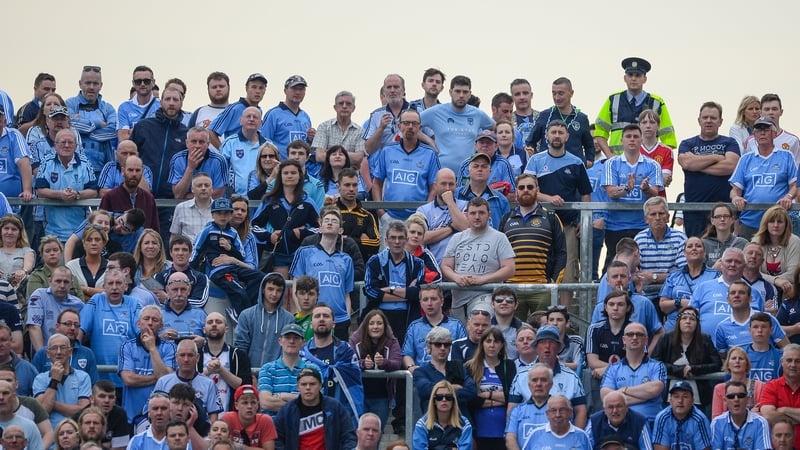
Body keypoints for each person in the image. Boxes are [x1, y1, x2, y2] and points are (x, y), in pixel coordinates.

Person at [524, 119, 592, 302]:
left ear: (567, 137)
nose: (556, 136)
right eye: (553, 132)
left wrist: (583, 221)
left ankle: (564, 317)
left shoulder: (576, 162)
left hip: (568, 226)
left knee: (568, 273)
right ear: (546, 135)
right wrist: (549, 199)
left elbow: (586, 193)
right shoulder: (536, 160)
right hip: (539, 224)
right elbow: (526, 190)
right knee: (540, 270)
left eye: (560, 133)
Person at [502, 173, 566, 316]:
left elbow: (561, 252)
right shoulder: (506, 219)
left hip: (541, 288)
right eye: (521, 187)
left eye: (530, 187)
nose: (526, 190)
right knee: (515, 335)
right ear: (516, 191)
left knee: (543, 333)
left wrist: (554, 282)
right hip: (512, 288)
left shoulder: (551, 217)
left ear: (537, 190)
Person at [442, 197, 515, 320]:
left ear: (489, 215)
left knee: (479, 319)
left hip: (485, 295)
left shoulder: (499, 238)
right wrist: (456, 278)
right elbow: (446, 266)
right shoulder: (457, 238)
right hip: (458, 298)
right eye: (473, 213)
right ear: (466, 215)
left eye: (481, 213)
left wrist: (483, 280)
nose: (477, 217)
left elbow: (510, 269)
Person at [191, 198, 265, 321]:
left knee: (260, 277)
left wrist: (230, 248)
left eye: (226, 213)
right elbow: (196, 249)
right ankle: (242, 316)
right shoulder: (207, 230)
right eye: (219, 213)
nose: (223, 216)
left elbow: (241, 255)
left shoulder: (233, 233)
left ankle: (243, 310)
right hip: (220, 272)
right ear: (213, 214)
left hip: (235, 268)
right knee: (239, 291)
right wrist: (191, 270)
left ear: (230, 215)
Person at [676, 102, 742, 238]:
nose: (709, 121)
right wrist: (716, 157)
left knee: (724, 253)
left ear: (720, 121)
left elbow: (730, 166)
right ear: (699, 120)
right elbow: (687, 163)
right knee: (696, 252)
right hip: (694, 212)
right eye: (705, 117)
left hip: (723, 212)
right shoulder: (687, 144)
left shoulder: (729, 143)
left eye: (713, 118)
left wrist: (697, 165)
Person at [602, 124, 663, 266]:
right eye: (628, 136)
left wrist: (646, 189)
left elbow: (655, 195)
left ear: (641, 139)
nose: (632, 140)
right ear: (622, 140)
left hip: (643, 226)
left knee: (641, 266)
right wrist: (627, 188)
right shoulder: (611, 163)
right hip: (615, 226)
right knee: (615, 266)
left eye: (636, 136)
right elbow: (611, 193)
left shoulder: (653, 165)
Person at [289, 207, 355, 336]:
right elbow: (295, 286)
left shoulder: (346, 259)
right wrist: (303, 314)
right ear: (320, 227)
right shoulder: (305, 252)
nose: (330, 223)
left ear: (341, 230)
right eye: (326, 220)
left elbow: (347, 294)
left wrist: (347, 317)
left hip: (339, 320)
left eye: (334, 221)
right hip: (313, 318)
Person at [507, 324, 587, 427]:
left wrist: (575, 438)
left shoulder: (571, 377)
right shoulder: (521, 376)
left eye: (551, 342)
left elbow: (581, 411)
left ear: (558, 347)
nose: (547, 346)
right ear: (536, 347)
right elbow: (511, 410)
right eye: (543, 342)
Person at [594, 57, 676, 158]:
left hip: (647, 165)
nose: (633, 78)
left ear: (644, 79)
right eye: (630, 75)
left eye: (638, 75)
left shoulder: (657, 103)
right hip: (618, 162)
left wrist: (657, 161)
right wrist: (609, 155)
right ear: (625, 78)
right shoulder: (613, 100)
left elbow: (668, 138)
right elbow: (600, 131)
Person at [251, 160, 320, 280]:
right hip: (278, 254)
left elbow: (320, 228)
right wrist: (269, 236)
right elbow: (254, 226)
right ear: (280, 176)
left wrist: (303, 233)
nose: (289, 176)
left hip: (301, 254)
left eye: (293, 173)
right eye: (285, 173)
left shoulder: (307, 201)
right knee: (282, 291)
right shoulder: (269, 201)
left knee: (296, 293)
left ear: (300, 176)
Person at [372, 108, 439, 230]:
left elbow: (434, 188)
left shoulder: (429, 154)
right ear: (399, 126)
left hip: (417, 219)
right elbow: (377, 183)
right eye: (406, 123)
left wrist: (424, 213)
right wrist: (381, 212)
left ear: (420, 127)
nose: (410, 127)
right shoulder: (387, 151)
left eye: (414, 123)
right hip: (390, 217)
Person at [730, 116, 797, 238]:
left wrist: (788, 196)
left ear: (774, 133)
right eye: (758, 130)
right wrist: (735, 198)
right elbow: (735, 189)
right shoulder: (746, 159)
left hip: (778, 221)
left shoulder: (786, 156)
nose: (762, 133)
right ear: (754, 135)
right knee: (748, 256)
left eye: (766, 129)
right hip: (749, 221)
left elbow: (794, 185)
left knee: (777, 256)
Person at [300, 303, 364, 424]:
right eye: (317, 316)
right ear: (311, 324)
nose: (322, 319)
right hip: (310, 418)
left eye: (326, 316)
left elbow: (354, 387)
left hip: (339, 417)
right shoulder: (302, 354)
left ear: (334, 324)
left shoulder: (346, 351)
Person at [363, 220, 426, 340]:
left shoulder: (418, 264)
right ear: (386, 241)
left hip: (407, 317)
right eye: (393, 238)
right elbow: (370, 291)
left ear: (406, 240)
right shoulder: (375, 261)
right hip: (379, 315)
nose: (397, 242)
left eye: (401, 238)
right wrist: (407, 293)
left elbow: (418, 293)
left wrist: (389, 289)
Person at [78, 269, 141, 389]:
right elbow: (80, 329)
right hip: (100, 379)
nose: (114, 287)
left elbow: (142, 333)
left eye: (118, 283)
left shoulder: (134, 304)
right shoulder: (96, 301)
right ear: (104, 287)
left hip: (128, 378)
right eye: (110, 283)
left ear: (126, 286)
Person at [420, 75, 495, 173]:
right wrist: (429, 141)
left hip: (468, 175)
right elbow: (409, 123)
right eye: (457, 91)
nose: (461, 95)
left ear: (470, 94)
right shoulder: (436, 112)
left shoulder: (477, 114)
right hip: (442, 173)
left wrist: (486, 143)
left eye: (465, 92)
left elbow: (496, 127)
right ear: (450, 92)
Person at [651, 306, 721, 409]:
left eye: (692, 319)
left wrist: (694, 369)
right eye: (684, 318)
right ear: (678, 321)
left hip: (699, 396)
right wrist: (678, 370)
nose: (688, 321)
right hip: (669, 396)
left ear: (697, 323)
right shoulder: (665, 338)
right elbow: (655, 363)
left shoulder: (705, 339)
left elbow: (717, 364)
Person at [35, 129, 98, 242]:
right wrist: (60, 194)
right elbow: (40, 191)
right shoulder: (46, 162)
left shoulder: (85, 163)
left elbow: (93, 191)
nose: (67, 145)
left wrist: (77, 194)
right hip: (51, 232)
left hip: (80, 232)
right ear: (55, 144)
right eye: (63, 142)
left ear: (76, 145)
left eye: (70, 142)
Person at [273, 367, 357, 449]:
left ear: (320, 386)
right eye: (303, 384)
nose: (308, 388)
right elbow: (277, 440)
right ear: (298, 387)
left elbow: (349, 437)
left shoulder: (335, 407)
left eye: (312, 384)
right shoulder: (287, 410)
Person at [118, 304, 176, 421]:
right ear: (138, 323)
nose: (150, 323)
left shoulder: (170, 347)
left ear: (161, 326)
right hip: (131, 417)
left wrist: (152, 348)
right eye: (146, 319)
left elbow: (166, 379)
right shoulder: (127, 346)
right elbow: (128, 379)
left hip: (161, 417)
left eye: (155, 320)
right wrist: (157, 378)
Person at [600, 322, 666, 422]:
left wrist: (623, 390)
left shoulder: (657, 366)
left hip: (650, 422)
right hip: (621, 423)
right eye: (630, 334)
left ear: (646, 340)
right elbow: (606, 396)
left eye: (639, 334)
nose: (634, 337)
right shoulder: (613, 368)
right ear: (624, 340)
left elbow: (655, 389)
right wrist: (644, 397)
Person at [690, 247, 763, 337]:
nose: (732, 264)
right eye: (729, 261)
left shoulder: (754, 293)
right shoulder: (703, 287)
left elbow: (761, 324)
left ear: (744, 266)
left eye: (738, 262)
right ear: (721, 264)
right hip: (705, 346)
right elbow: (690, 316)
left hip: (741, 348)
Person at [349, 309, 403, 429]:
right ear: (366, 325)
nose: (375, 327)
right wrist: (363, 364)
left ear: (385, 326)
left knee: (376, 435)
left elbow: (397, 362)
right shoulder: (355, 341)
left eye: (379, 323)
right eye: (372, 323)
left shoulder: (392, 341)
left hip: (382, 397)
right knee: (358, 434)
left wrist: (384, 362)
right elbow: (348, 363)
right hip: (359, 396)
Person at [464, 327, 516, 447]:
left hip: (504, 429)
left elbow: (512, 396)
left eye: (496, 341)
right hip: (479, 428)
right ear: (482, 344)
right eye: (488, 341)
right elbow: (471, 399)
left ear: (502, 345)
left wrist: (487, 395)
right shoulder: (470, 367)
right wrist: (500, 400)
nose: (492, 345)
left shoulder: (509, 366)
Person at [527, 77, 595, 165]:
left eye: (561, 93)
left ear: (571, 93)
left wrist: (589, 160)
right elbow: (530, 141)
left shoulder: (581, 118)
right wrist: (537, 159)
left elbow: (589, 145)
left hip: (573, 169)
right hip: (548, 169)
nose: (557, 97)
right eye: (554, 93)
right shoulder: (545, 115)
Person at [658, 236, 720, 332]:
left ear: (704, 252)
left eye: (698, 246)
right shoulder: (674, 276)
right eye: (690, 246)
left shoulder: (715, 276)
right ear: (684, 253)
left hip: (701, 329)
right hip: (673, 329)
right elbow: (663, 306)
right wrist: (680, 302)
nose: (694, 248)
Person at [65, 65, 117, 177]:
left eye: (95, 83)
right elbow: (69, 124)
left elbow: (113, 131)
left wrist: (84, 130)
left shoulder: (108, 108)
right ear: (80, 83)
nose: (91, 87)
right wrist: (98, 124)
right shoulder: (70, 104)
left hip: (102, 169)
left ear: (101, 85)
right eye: (88, 83)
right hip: (74, 169)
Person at [258, 323, 320, 416]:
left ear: (303, 342)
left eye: (296, 337)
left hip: (303, 425)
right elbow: (265, 403)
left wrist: (282, 396)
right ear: (280, 341)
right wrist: (302, 404)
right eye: (287, 337)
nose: (291, 341)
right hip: (274, 426)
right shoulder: (267, 369)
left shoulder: (313, 369)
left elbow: (316, 402)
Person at [234, 272, 294, 368]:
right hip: (250, 373)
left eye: (279, 290)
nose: (274, 294)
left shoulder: (288, 319)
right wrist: (246, 371)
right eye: (270, 289)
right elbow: (241, 346)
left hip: (276, 374)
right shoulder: (246, 315)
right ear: (263, 289)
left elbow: (287, 349)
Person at [33, 333, 92, 428]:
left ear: (70, 352)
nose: (59, 352)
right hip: (50, 436)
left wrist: (51, 403)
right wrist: (54, 380)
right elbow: (43, 410)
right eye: (54, 348)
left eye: (63, 348)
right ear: (48, 354)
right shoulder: (40, 379)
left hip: (75, 434)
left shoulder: (83, 377)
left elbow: (83, 411)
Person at [714, 281, 787, 358]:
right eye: (733, 293)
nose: (736, 295)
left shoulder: (767, 319)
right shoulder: (722, 327)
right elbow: (723, 357)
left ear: (750, 298)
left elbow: (785, 346)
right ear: (728, 300)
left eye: (741, 292)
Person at [634, 196, 687, 301]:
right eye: (653, 214)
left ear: (667, 217)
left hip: (673, 295)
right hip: (645, 297)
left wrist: (654, 277)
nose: (657, 218)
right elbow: (633, 271)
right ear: (646, 219)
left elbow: (684, 273)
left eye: (661, 214)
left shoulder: (680, 238)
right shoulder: (639, 239)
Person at [198, 312, 251, 413]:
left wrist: (221, 370)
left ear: (227, 329)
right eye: (210, 322)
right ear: (204, 330)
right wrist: (207, 372)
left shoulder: (238, 355)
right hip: (201, 418)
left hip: (231, 416)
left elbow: (245, 386)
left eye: (218, 322)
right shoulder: (195, 355)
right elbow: (189, 385)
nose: (214, 324)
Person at [416, 168, 468, 265]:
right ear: (435, 186)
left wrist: (450, 202)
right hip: (434, 268)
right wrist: (451, 228)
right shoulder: (423, 210)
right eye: (443, 184)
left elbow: (465, 227)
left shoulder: (466, 205)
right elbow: (420, 238)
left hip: (461, 268)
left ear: (456, 185)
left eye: (451, 184)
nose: (447, 188)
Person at [25, 266, 84, 351]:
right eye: (58, 281)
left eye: (66, 282)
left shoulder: (78, 304)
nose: (62, 285)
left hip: (68, 356)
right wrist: (43, 356)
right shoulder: (39, 296)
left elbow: (80, 330)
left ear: (71, 284)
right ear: (50, 281)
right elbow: (34, 327)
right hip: (44, 352)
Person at [99, 153, 159, 233]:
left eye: (137, 170)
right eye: (130, 170)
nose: (134, 174)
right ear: (123, 171)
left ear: (142, 172)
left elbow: (155, 230)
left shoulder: (149, 199)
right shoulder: (110, 197)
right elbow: (100, 229)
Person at [311, 90, 367, 175]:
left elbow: (358, 158)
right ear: (335, 107)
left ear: (353, 108)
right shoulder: (324, 127)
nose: (344, 106)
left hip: (351, 180)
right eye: (341, 103)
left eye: (348, 104)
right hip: (327, 178)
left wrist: (330, 152)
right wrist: (349, 156)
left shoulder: (360, 131)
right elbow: (319, 156)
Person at [260, 75, 314, 159]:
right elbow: (263, 143)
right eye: (294, 89)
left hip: (300, 169)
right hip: (279, 168)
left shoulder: (305, 117)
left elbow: (307, 147)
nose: (298, 92)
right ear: (285, 91)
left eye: (301, 89)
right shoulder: (274, 114)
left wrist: (312, 139)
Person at [208, 73, 267, 149]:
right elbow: (211, 132)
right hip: (236, 157)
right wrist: (224, 153)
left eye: (261, 88)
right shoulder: (234, 108)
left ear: (265, 90)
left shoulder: (259, 111)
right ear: (246, 88)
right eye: (254, 87)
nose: (257, 91)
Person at [334, 167, 380, 262]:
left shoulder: (367, 215)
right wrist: (360, 240)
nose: (351, 189)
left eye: (354, 185)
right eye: (347, 185)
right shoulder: (331, 212)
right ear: (338, 187)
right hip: (333, 262)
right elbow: (323, 238)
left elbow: (375, 244)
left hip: (359, 264)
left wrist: (344, 239)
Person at [455, 152, 511, 230]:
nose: (480, 169)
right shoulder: (456, 195)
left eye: (484, 166)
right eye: (476, 166)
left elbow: (507, 228)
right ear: (468, 171)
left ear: (490, 171)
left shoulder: (501, 200)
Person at [169, 126, 228, 200]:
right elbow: (178, 195)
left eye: (201, 142)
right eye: (193, 141)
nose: (197, 146)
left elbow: (218, 193)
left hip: (213, 206)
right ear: (187, 143)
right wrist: (190, 168)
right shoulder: (177, 159)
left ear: (208, 144)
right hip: (185, 206)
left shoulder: (219, 160)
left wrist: (190, 197)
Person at [412, 380, 473, 450]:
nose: (444, 400)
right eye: (439, 397)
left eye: (448, 397)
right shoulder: (422, 424)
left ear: (453, 400)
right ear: (434, 401)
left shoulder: (464, 424)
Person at [219, 106, 266, 196]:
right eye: (248, 116)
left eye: (255, 117)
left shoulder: (267, 145)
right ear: (241, 121)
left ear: (261, 123)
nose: (251, 119)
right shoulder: (229, 143)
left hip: (261, 199)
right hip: (235, 199)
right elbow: (221, 171)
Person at [651, 381, 712, 450]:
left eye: (685, 397)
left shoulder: (700, 419)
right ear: (670, 401)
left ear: (692, 401)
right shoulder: (662, 418)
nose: (680, 400)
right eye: (676, 396)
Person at [362, 74, 413, 157]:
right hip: (388, 163)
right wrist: (381, 128)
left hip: (413, 161)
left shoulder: (418, 111)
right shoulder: (376, 115)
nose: (392, 90)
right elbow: (367, 150)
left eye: (396, 87)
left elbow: (430, 139)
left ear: (403, 91)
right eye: (389, 87)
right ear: (384, 92)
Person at [711, 382, 772, 448]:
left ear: (747, 399)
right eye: (731, 396)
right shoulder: (717, 423)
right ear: (725, 400)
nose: (736, 399)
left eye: (741, 396)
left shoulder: (761, 423)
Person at [753, 205, 800, 291]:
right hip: (760, 289)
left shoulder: (795, 241)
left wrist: (770, 280)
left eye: (780, 222)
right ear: (766, 224)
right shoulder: (756, 242)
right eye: (771, 221)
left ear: (786, 224)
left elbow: (793, 274)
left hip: (787, 289)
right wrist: (775, 280)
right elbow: (752, 271)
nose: (775, 225)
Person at [585, 391, 652, 450]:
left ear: (626, 408)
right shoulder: (594, 422)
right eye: (610, 407)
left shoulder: (640, 421)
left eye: (619, 406)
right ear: (604, 410)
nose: (615, 411)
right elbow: (584, 445)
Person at [520, 395, 591, 450]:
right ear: (547, 414)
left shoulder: (582, 436)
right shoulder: (535, 435)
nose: (558, 415)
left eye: (562, 410)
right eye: (553, 410)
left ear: (570, 413)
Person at [219, 384, 277, 449]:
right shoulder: (228, 419)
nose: (249, 406)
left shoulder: (265, 420)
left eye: (253, 402)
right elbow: (219, 446)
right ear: (236, 405)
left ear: (258, 405)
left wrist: (241, 447)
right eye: (245, 403)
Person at [117, 65, 159, 141]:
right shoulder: (124, 107)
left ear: (153, 82)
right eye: (138, 81)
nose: (142, 84)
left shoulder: (161, 106)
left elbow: (161, 137)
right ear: (133, 83)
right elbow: (123, 138)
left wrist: (133, 131)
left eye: (146, 81)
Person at [701, 202, 748, 269]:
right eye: (718, 217)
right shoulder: (704, 244)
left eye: (726, 216)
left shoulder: (742, 243)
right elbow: (699, 271)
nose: (722, 219)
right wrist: (713, 270)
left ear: (732, 220)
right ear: (712, 221)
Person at [188, 71, 230, 136]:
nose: (218, 89)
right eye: (214, 87)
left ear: (228, 87)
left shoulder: (237, 111)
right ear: (208, 89)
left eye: (221, 86)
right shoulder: (199, 112)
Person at [14, 72, 56, 136]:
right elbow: (18, 134)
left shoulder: (59, 108)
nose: (50, 93)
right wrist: (41, 117)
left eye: (53, 90)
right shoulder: (27, 109)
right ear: (35, 89)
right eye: (46, 89)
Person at [509, 79, 539, 147]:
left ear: (531, 95)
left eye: (525, 93)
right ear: (512, 98)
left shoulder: (542, 118)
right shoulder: (507, 121)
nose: (522, 97)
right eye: (517, 94)